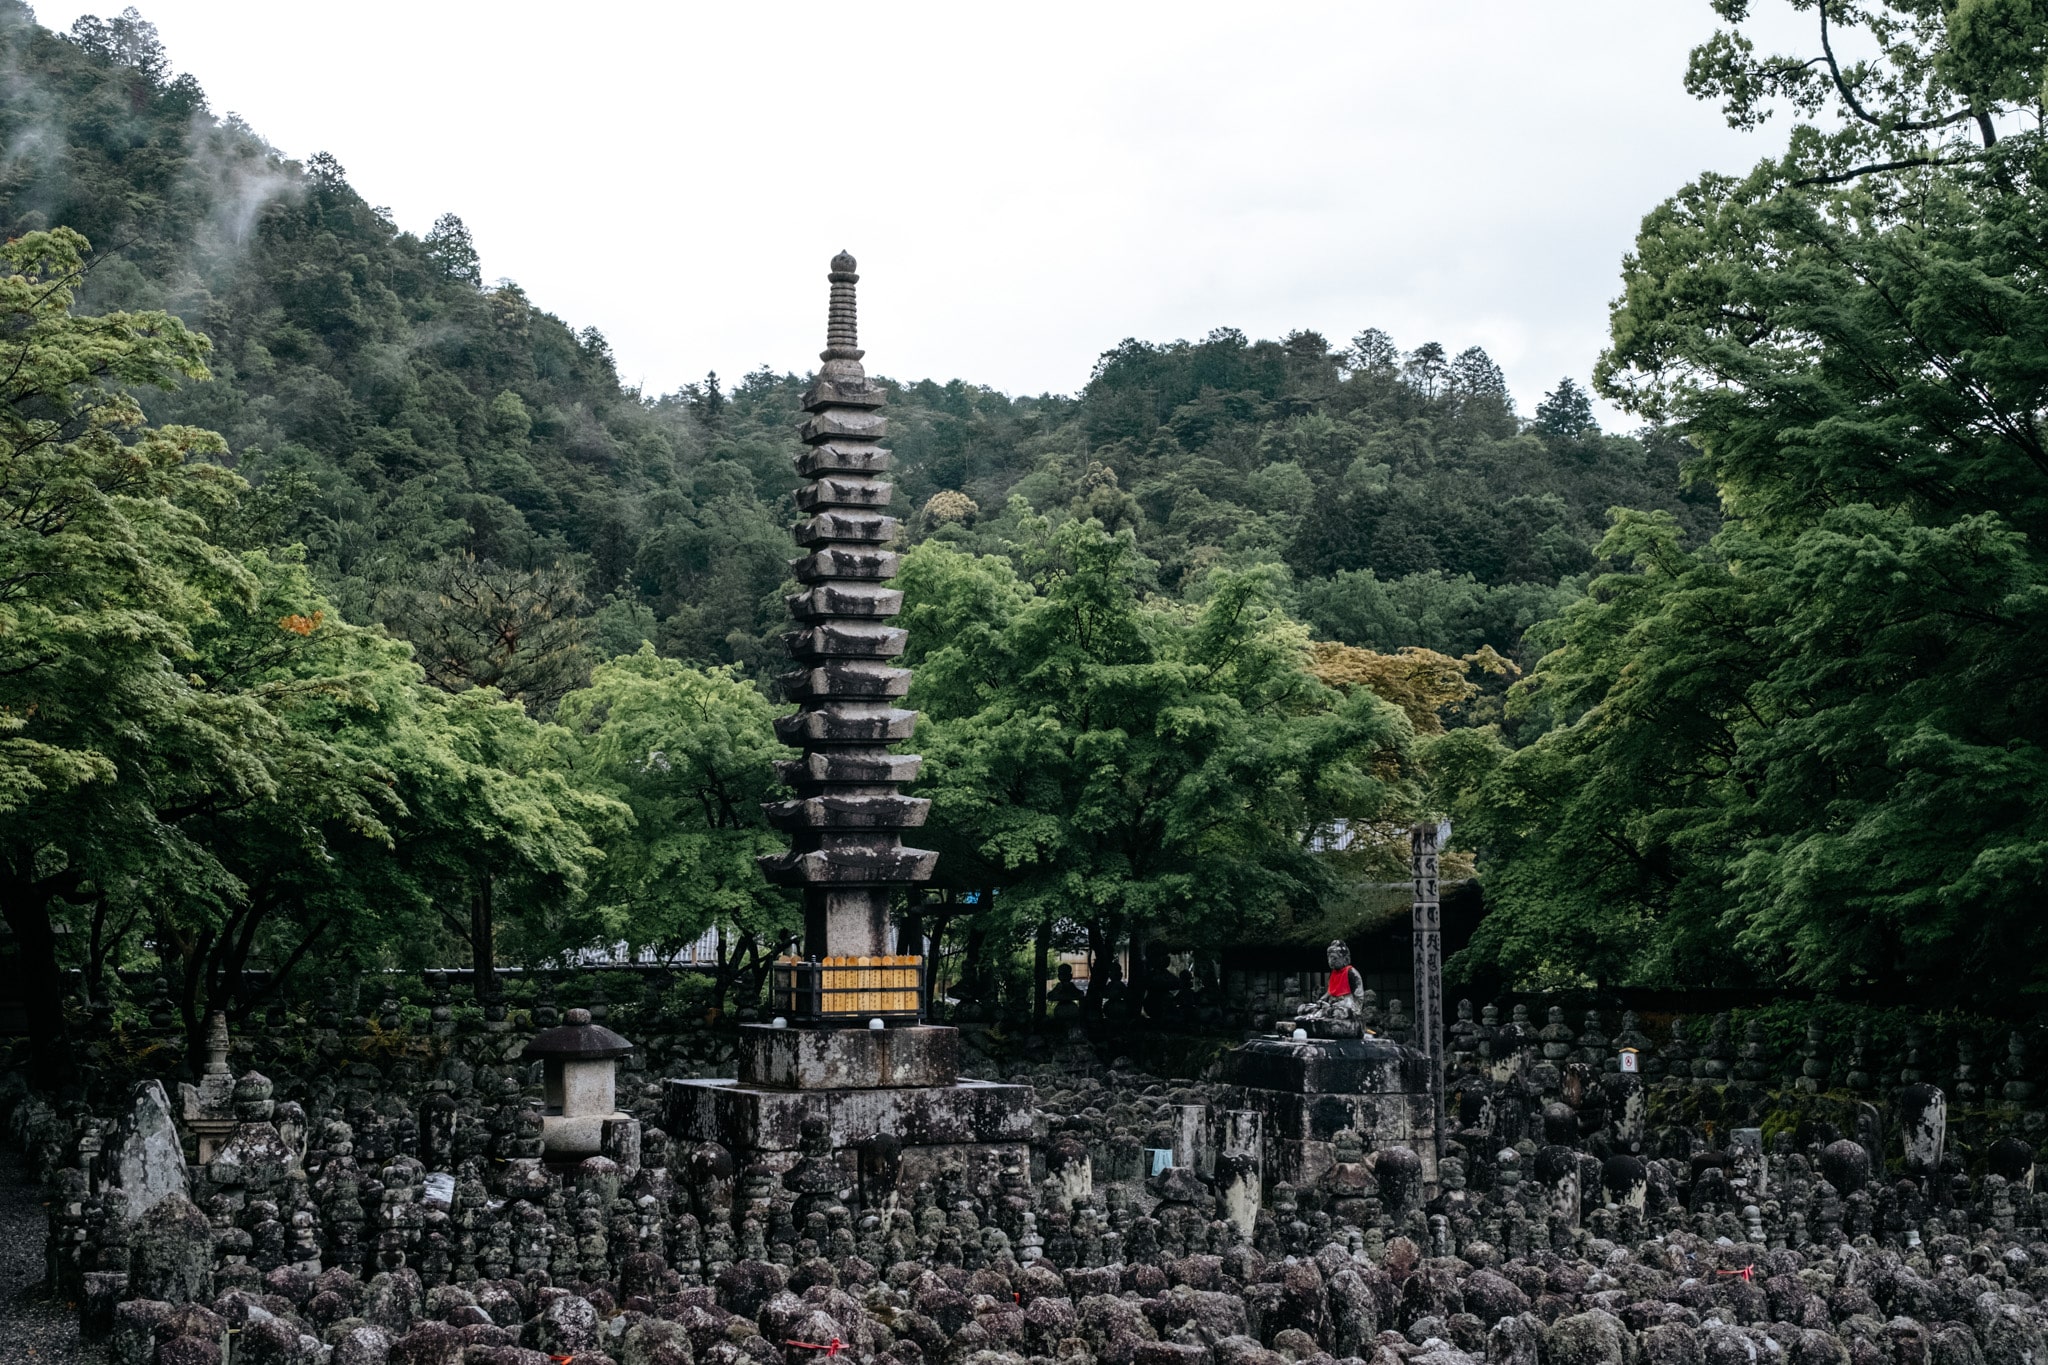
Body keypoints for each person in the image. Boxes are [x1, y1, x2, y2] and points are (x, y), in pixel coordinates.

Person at [1290, 940, 1367, 1039]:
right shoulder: (1333, 974)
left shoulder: (1352, 972)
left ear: (1345, 959)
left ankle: (1322, 1014)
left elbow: (1358, 997)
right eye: (1329, 958)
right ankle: (1320, 1014)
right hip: (1331, 1005)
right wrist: (1321, 1000)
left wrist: (1353, 1011)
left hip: (1345, 1005)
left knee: (1335, 1012)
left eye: (1334, 958)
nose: (1331, 961)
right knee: (1303, 1008)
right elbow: (1330, 992)